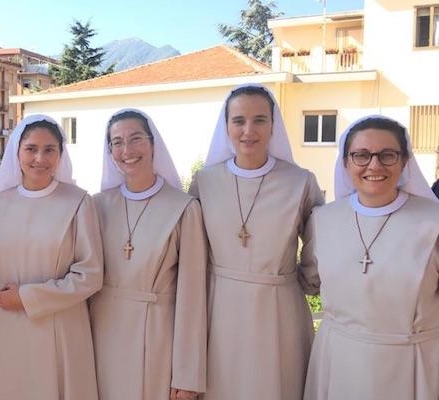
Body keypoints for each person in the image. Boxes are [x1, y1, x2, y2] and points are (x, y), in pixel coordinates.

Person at [189, 84, 324, 400]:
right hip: (218, 309)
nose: (248, 130)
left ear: (273, 125)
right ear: (226, 126)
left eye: (259, 120)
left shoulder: (300, 181)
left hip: (279, 311)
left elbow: (319, 245)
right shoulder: (204, 181)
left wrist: (306, 281)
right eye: (239, 120)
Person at [0, 115, 103, 400]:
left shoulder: (78, 202)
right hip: (7, 335)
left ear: (61, 154)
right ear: (17, 152)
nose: (40, 158)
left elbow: (90, 275)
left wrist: (27, 298)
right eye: (31, 149)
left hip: (60, 330)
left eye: (49, 149)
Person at [303, 116, 439, 400]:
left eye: (387, 155)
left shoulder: (433, 221)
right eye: (361, 155)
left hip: (411, 367)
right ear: (346, 162)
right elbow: (310, 280)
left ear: (404, 163)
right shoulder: (323, 219)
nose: (374, 165)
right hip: (337, 362)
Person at [90, 108, 208, 400]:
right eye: (117, 142)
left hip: (157, 338)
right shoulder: (97, 205)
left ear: (153, 144)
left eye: (135, 138)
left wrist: (187, 374)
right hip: (101, 335)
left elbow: (193, 297)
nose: (126, 150)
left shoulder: (184, 208)